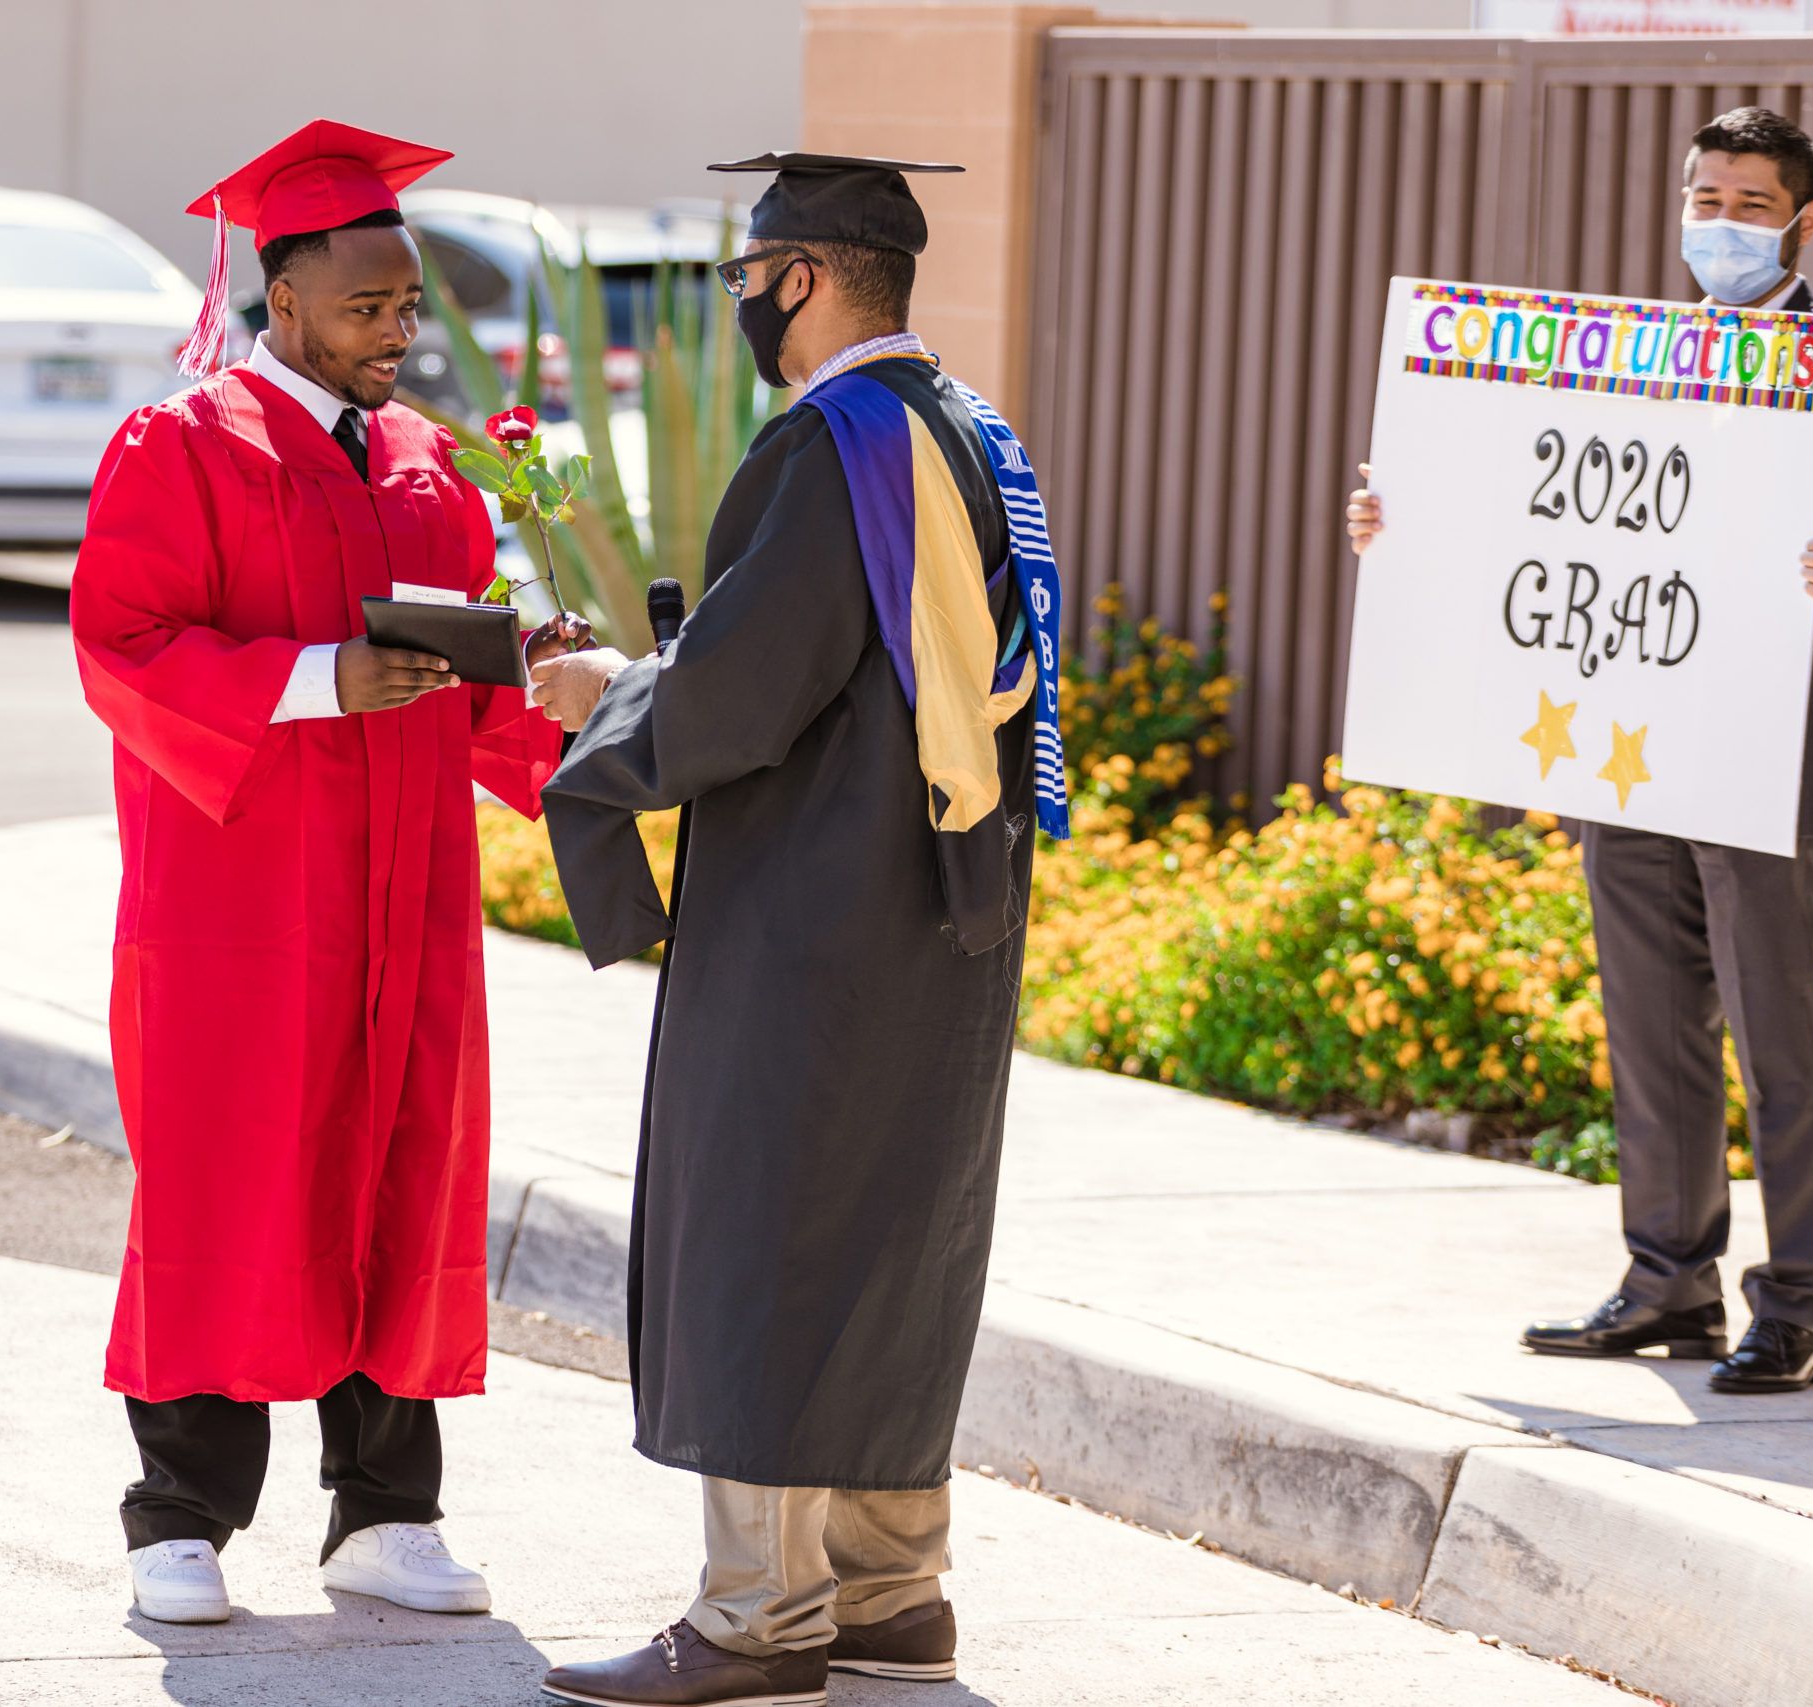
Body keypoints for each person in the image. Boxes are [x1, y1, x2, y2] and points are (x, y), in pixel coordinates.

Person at [529, 151, 1071, 1707]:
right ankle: (895, 1593)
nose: (744, 306)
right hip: (947, 905)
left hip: (818, 919)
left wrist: (605, 702)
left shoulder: (832, 445)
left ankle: (761, 1616)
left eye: (747, 278)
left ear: (806, 277)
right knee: (892, 1233)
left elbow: (743, 697)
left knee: (773, 1231)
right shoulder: (970, 432)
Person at [68, 118, 582, 1626]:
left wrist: (562, 702)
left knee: (398, 1169)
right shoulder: (186, 446)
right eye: (368, 306)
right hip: (243, 899)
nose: (396, 335)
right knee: (232, 1179)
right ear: (283, 296)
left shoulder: (430, 469)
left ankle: (384, 1513)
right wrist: (312, 681)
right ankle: (180, 1519)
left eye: (410, 307)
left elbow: (475, 680)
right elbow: (123, 646)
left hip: (404, 903)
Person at [1348, 106, 1813, 1395]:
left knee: (1777, 1031)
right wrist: (1401, 526)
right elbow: (1542, 506)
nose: (1720, 225)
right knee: (1650, 1016)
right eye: (1705, 199)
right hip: (1633, 732)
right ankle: (1666, 1279)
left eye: (1747, 206)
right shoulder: (1628, 361)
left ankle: (1796, 1304)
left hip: (1770, 743)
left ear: (1803, 221)